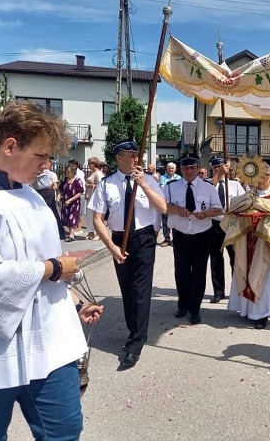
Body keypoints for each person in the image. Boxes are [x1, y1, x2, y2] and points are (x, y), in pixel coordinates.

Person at [0, 102, 91, 440]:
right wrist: (53, 268)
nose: (46, 166)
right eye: (41, 156)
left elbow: (48, 260)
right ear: (10, 146)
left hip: (48, 341)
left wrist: (74, 300)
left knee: (65, 430)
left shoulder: (32, 197)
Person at [88, 140, 164, 370]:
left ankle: (135, 343)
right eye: (130, 155)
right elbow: (97, 219)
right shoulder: (107, 184)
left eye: (136, 154)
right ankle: (135, 329)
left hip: (144, 238)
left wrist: (145, 186)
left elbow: (163, 207)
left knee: (141, 290)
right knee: (127, 289)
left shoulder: (148, 179)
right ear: (118, 157)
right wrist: (111, 246)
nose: (135, 159)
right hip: (119, 240)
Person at [223, 162, 270, 329]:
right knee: (243, 270)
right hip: (247, 240)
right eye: (258, 176)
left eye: (264, 176)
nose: (261, 180)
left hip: (265, 243)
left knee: (264, 279)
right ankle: (245, 310)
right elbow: (232, 208)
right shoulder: (249, 194)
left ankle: (261, 314)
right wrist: (248, 204)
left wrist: (261, 205)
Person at [163, 157, 222, 325]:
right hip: (181, 234)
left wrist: (207, 213)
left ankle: (195, 309)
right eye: (185, 168)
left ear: (198, 168)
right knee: (181, 272)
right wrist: (177, 209)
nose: (188, 171)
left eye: (192, 167)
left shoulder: (208, 187)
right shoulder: (171, 187)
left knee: (198, 273)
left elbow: (219, 209)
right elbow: (163, 206)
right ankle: (183, 304)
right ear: (181, 169)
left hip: (202, 234)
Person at [208, 157, 246, 303]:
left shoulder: (235, 185)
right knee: (216, 259)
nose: (219, 169)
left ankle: (236, 290)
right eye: (215, 167)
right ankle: (218, 291)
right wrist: (218, 176)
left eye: (221, 167)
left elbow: (244, 201)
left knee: (235, 258)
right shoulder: (209, 184)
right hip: (214, 224)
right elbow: (207, 188)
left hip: (231, 224)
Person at [32, 158, 66, 240]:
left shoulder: (51, 174)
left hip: (47, 192)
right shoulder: (37, 173)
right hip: (39, 192)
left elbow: (55, 186)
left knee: (52, 211)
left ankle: (60, 232)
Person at [158, 162, 181, 247]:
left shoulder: (179, 178)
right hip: (165, 202)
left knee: (176, 221)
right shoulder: (162, 178)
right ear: (167, 169)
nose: (171, 170)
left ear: (175, 169)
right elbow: (161, 188)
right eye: (169, 168)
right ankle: (167, 239)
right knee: (165, 222)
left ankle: (175, 239)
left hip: (176, 203)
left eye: (172, 168)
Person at [60, 164, 84, 242]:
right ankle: (71, 232)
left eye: (68, 171)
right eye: (66, 171)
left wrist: (70, 200)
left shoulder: (78, 180)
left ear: (73, 172)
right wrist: (58, 198)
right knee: (66, 217)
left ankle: (72, 234)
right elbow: (61, 190)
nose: (67, 173)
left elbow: (80, 192)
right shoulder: (65, 180)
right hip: (65, 201)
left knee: (72, 217)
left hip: (74, 202)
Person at [85, 157, 103, 241]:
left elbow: (100, 185)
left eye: (90, 163)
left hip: (95, 196)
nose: (88, 165)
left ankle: (98, 233)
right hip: (90, 195)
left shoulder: (98, 173)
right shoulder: (93, 173)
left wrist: (89, 185)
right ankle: (91, 231)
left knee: (95, 215)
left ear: (94, 164)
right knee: (89, 214)